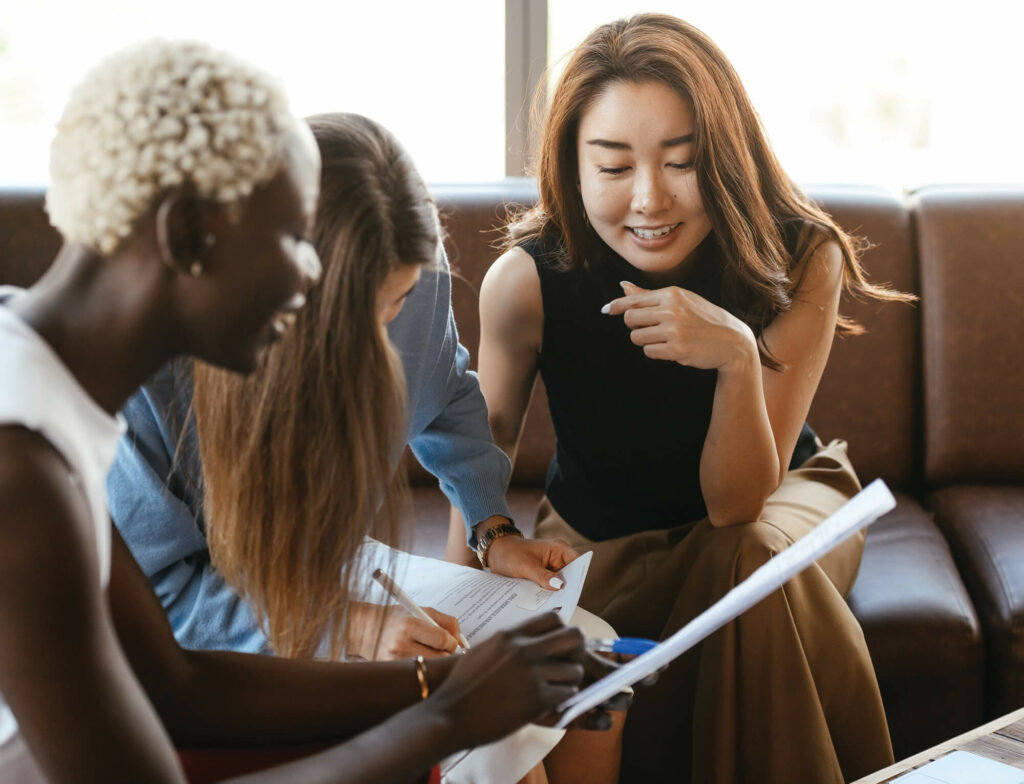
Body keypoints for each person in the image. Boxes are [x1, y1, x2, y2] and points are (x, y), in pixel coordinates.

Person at [0, 39, 599, 784]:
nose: (307, 275)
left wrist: (444, 685)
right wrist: (444, 717)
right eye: (290, 240)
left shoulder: (47, 392)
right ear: (187, 236)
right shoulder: (19, 468)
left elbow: (176, 683)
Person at [444, 13, 916, 784]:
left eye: (681, 161)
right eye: (614, 166)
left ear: (725, 157)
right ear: (572, 167)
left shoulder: (803, 257)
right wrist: (454, 608)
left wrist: (735, 357)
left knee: (748, 558)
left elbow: (738, 506)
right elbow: (477, 453)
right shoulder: (526, 283)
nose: (650, 199)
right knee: (745, 571)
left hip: (782, 504)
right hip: (602, 536)